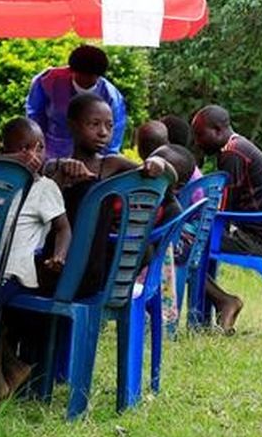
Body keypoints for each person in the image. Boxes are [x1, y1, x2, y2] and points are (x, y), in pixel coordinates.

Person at [42, 93, 173, 298]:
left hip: (92, 273)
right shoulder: (54, 167)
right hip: (55, 265)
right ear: (72, 125)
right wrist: (61, 174)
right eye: (94, 124)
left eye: (109, 126)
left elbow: (168, 177)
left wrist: (158, 162)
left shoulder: (112, 164)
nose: (103, 132)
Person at [0, 117, 70, 398]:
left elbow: (64, 228)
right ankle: (10, 369)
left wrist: (59, 255)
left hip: (16, 272)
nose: (33, 156)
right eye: (24, 148)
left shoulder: (44, 188)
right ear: (5, 150)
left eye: (39, 148)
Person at [191, 105, 262, 333]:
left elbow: (222, 209)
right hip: (253, 232)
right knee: (192, 242)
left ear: (217, 130)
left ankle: (224, 301)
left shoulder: (232, 154)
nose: (197, 142)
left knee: (185, 247)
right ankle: (207, 313)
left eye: (200, 134)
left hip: (253, 239)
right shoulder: (236, 147)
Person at [26, 44, 128, 159]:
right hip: (51, 155)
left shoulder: (112, 97)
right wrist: (38, 150)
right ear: (71, 70)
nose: (86, 80)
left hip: (91, 159)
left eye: (91, 77)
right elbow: (35, 117)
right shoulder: (47, 82)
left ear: (99, 76)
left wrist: (102, 165)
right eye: (82, 75)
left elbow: (113, 137)